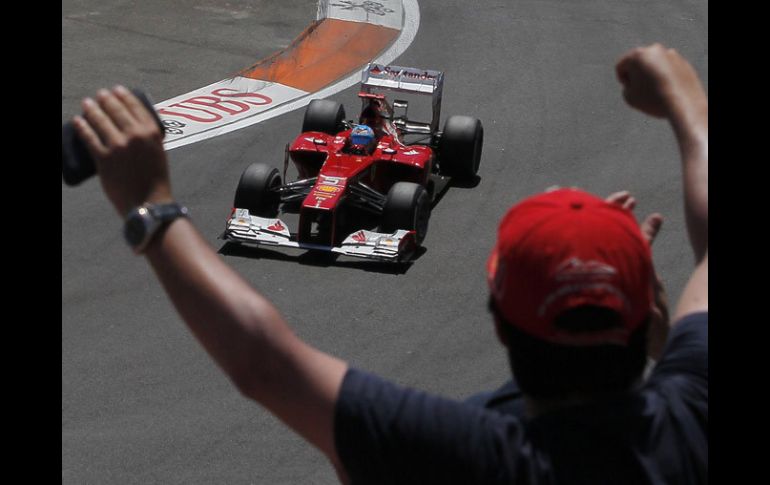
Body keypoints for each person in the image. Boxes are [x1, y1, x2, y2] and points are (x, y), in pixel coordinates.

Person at [70, 43, 707, 483]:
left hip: (387, 164)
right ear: (644, 310)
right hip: (355, 157)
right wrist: (690, 108)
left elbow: (262, 366)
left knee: (405, 185)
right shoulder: (688, 425)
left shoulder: (458, 453)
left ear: (498, 316)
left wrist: (149, 205)